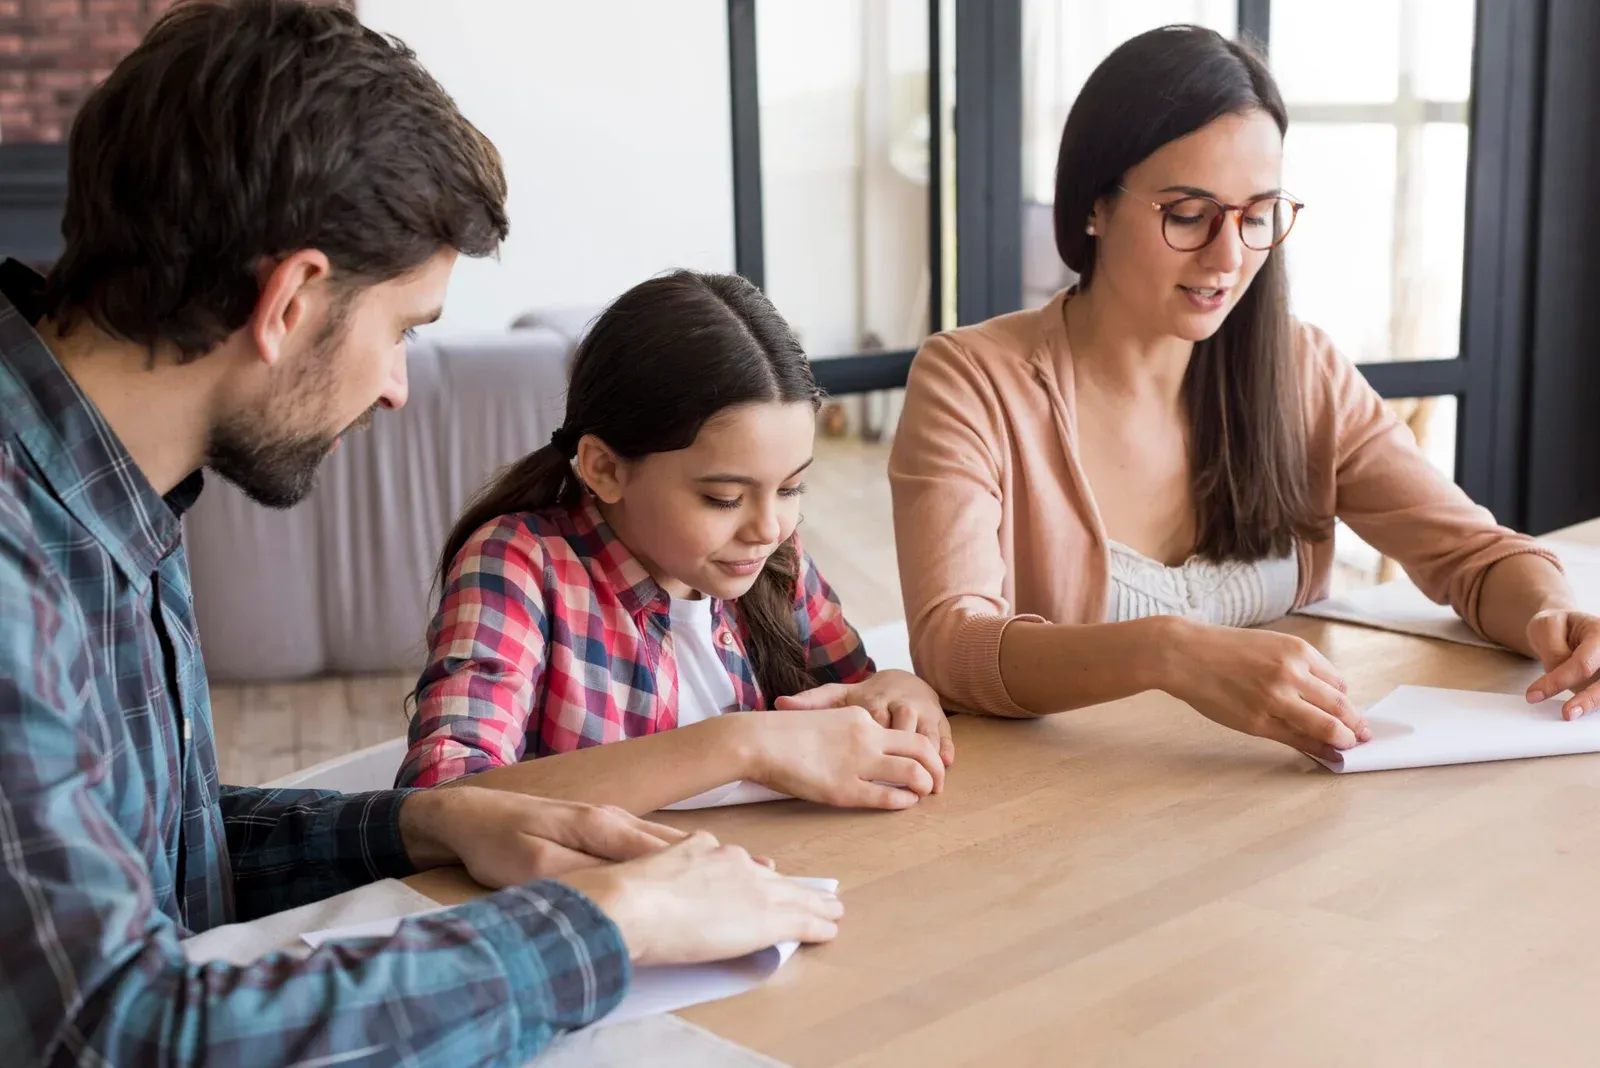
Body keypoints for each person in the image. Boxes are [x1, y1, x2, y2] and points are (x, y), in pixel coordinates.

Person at [0, 3, 838, 1065]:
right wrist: (610, 924)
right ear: (293, 299)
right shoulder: (15, 551)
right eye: (402, 330)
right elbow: (118, 1033)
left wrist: (419, 826)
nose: (397, 388)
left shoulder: (94, 486)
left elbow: (158, 856)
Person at [888, 25, 1600, 761]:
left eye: (1256, 216)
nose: (1229, 258)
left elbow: (1475, 556)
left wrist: (1554, 614)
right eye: (1188, 215)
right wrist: (1165, 651)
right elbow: (953, 644)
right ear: (1093, 206)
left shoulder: (1301, 370)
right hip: (1064, 818)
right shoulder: (971, 382)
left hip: (1275, 802)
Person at [398, 270, 953, 815]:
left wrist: (897, 690)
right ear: (605, 468)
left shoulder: (774, 560)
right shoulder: (519, 564)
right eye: (724, 498)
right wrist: (744, 746)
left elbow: (856, 694)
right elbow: (445, 799)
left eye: (791, 487)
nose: (768, 527)